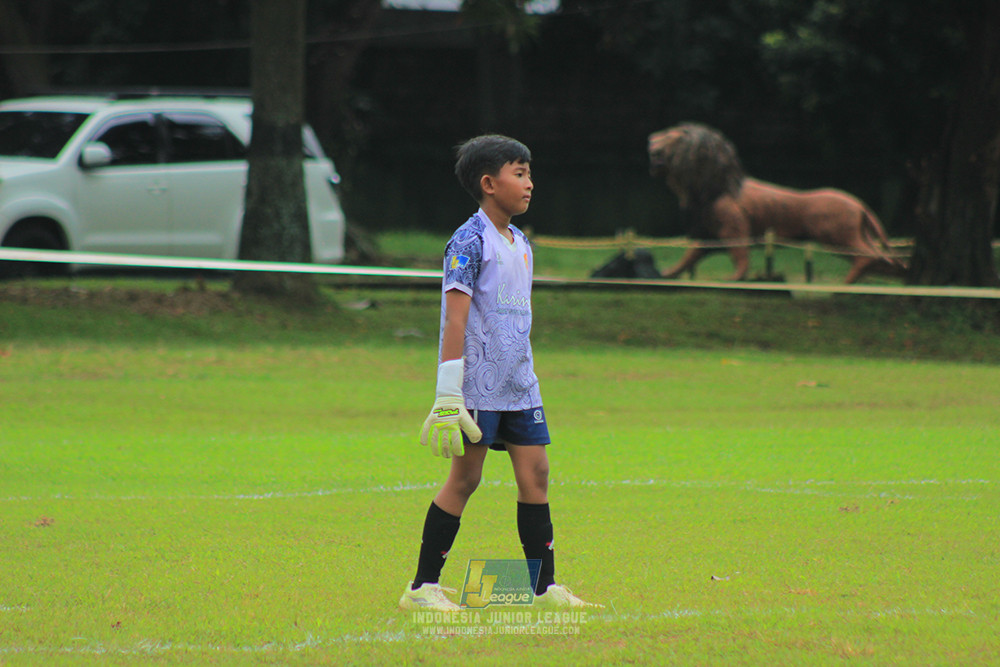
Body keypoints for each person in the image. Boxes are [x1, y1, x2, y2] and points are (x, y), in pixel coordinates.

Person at [399, 134, 599, 612]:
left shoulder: (522, 243)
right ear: (489, 183)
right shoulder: (468, 241)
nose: (530, 183)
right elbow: (456, 319)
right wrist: (449, 393)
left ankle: (543, 589)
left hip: (519, 384)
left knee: (537, 475)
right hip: (477, 387)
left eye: (529, 173)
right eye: (520, 173)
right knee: (465, 480)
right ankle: (422, 589)